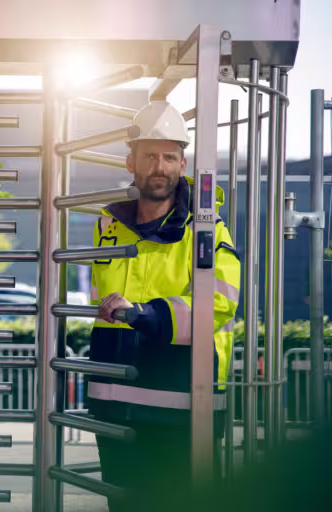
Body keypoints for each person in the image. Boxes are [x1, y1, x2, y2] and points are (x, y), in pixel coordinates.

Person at [87, 101, 242, 511]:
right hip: (114, 401)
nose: (160, 166)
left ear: (183, 163)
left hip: (182, 400)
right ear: (130, 162)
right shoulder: (107, 228)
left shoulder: (208, 230)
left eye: (170, 156)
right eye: (150, 155)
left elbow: (221, 303)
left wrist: (144, 315)